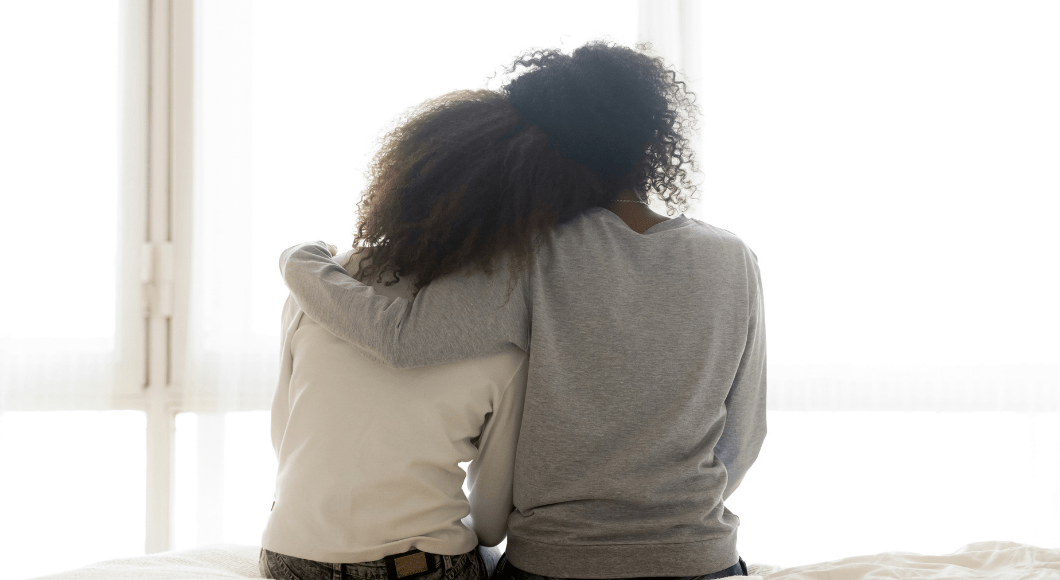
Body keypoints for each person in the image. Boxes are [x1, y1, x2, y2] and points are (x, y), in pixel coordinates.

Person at [281, 41, 766, 580]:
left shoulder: (530, 253)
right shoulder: (733, 258)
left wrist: (300, 264)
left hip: (557, 564)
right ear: (653, 141)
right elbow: (744, 436)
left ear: (539, 145)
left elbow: (402, 340)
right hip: (702, 559)